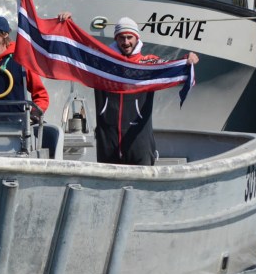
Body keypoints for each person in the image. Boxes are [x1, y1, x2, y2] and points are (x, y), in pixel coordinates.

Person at [57, 14, 198, 165]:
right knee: (107, 187)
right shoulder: (102, 63)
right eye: (121, 37)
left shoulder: (148, 63)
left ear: (137, 38)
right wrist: (68, 24)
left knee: (141, 185)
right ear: (116, 39)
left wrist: (186, 59)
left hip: (139, 141)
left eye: (129, 37)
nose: (126, 42)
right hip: (108, 141)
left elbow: (168, 65)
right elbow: (76, 50)